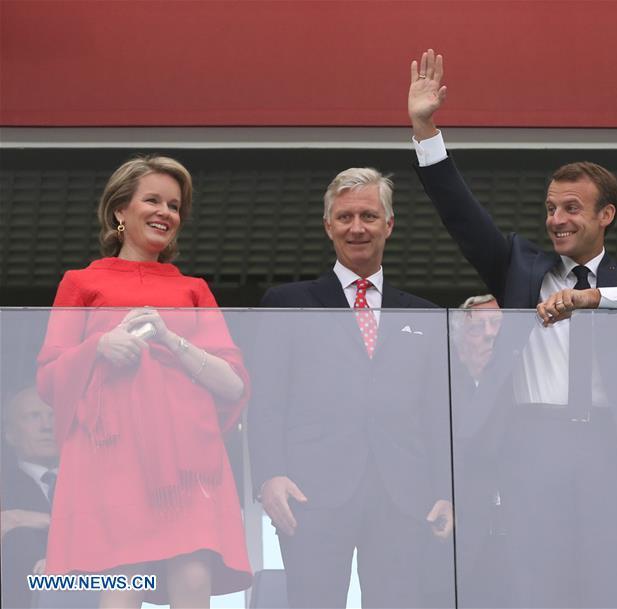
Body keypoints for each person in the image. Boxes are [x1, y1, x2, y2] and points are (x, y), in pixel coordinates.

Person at [408, 49, 617, 608]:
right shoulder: (521, 266)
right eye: (550, 209)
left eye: (571, 209)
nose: (556, 220)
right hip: (531, 446)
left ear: (605, 214)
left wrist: (594, 298)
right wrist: (426, 129)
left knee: (611, 588)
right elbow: (461, 217)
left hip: (614, 452)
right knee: (534, 587)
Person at [35, 156, 252, 608]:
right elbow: (50, 378)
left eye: (174, 206)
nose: (165, 213)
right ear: (120, 210)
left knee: (193, 578)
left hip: (188, 457)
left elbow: (233, 385)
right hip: (113, 458)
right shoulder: (80, 283)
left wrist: (172, 340)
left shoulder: (194, 289)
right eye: (152, 200)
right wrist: (97, 348)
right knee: (123, 586)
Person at [249, 167, 453, 609]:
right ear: (328, 226)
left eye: (368, 215)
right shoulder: (287, 303)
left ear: (389, 225)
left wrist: (445, 490)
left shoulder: (425, 315)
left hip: (403, 496)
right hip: (310, 494)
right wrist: (268, 476)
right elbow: (265, 400)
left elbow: (437, 412)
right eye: (344, 217)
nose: (356, 227)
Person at [1, 387, 58, 609]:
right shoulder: (5, 484)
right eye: (33, 417)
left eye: (53, 415)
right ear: (10, 434)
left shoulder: (95, 480)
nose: (47, 426)